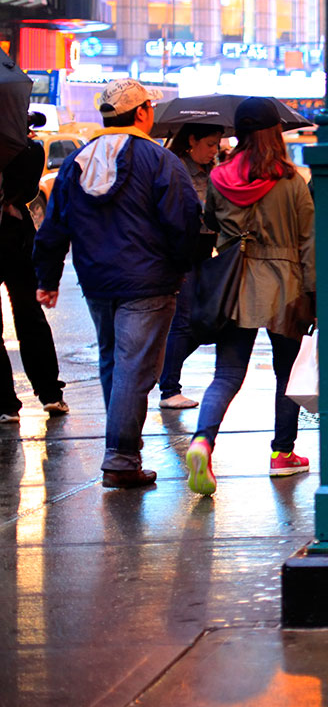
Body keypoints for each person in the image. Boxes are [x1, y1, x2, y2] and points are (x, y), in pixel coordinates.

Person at [33, 78, 202, 489]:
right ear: (142, 112)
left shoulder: (78, 161)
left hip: (97, 281)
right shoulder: (160, 161)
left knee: (114, 363)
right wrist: (184, 268)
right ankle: (122, 457)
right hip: (148, 281)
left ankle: (122, 451)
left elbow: (55, 224)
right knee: (134, 369)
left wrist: (48, 277)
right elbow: (183, 223)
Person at [185, 97, 316, 496]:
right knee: (286, 374)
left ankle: (203, 441)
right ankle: (282, 454)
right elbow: (308, 242)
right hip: (285, 285)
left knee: (226, 374)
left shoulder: (220, 176)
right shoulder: (293, 181)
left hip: (234, 283)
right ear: (275, 133)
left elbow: (208, 223)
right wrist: (314, 293)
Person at [0, 121, 67, 423]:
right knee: (26, 318)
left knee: (30, 315)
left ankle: (50, 393)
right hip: (14, 234)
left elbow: (25, 190)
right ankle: (5, 402)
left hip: (16, 239)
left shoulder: (28, 149)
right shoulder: (26, 148)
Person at [155, 123, 225, 410]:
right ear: (192, 140)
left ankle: (161, 368)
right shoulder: (174, 168)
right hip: (181, 253)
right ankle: (169, 389)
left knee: (209, 322)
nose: (214, 151)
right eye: (209, 144)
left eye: (217, 145)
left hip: (204, 252)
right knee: (183, 321)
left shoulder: (214, 172)